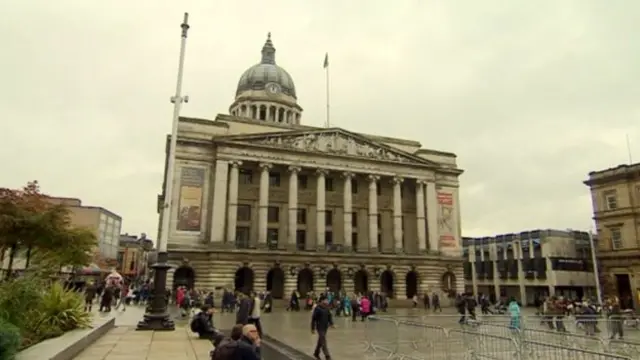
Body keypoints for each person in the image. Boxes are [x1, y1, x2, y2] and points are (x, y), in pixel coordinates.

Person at [311, 296, 334, 360]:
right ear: (322, 301)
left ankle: (316, 353)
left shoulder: (327, 308)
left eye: (327, 300)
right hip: (319, 327)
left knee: (320, 340)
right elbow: (313, 319)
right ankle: (327, 356)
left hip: (325, 327)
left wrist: (331, 324)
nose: (327, 301)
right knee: (323, 340)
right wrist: (312, 328)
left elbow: (330, 316)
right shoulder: (317, 308)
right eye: (326, 300)